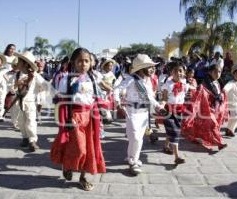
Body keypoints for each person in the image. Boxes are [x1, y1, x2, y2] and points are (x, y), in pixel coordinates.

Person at [50, 48, 106, 191]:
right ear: (73, 62)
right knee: (79, 148)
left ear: (91, 63)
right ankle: (67, 165)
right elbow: (60, 101)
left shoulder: (93, 78)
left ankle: (83, 177)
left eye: (86, 61)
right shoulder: (67, 79)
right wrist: (65, 120)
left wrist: (103, 106)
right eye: (80, 61)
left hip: (90, 117)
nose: (83, 64)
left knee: (89, 148)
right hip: (74, 117)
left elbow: (97, 95)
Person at [113, 54, 164, 175]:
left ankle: (132, 158)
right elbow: (117, 89)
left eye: (153, 67)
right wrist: (118, 103)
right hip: (132, 112)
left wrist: (158, 106)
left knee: (138, 138)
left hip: (144, 113)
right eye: (150, 67)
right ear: (141, 68)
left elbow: (150, 97)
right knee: (134, 137)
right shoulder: (131, 79)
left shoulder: (147, 81)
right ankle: (133, 161)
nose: (153, 69)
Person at [182, 64, 228, 150]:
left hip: (215, 108)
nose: (217, 74)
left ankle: (198, 137)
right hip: (205, 108)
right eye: (215, 72)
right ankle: (219, 143)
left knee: (207, 126)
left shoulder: (218, 83)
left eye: (219, 72)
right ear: (210, 72)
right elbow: (201, 93)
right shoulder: (205, 83)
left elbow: (220, 94)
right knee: (213, 124)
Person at [14, 51, 48, 152]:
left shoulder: (34, 75)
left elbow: (44, 84)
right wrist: (17, 84)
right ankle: (25, 137)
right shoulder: (17, 75)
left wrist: (41, 88)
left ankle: (32, 141)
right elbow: (11, 88)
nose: (17, 63)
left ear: (25, 63)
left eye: (19, 61)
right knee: (21, 122)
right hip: (18, 101)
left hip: (30, 102)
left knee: (31, 121)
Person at [161, 61, 188, 165]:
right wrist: (161, 106)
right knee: (175, 132)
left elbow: (187, 95)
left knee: (171, 131)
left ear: (184, 72)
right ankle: (177, 157)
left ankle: (166, 146)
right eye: (175, 71)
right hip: (169, 111)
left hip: (180, 111)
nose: (178, 73)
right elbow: (164, 98)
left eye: (180, 71)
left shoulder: (185, 84)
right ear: (171, 72)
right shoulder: (167, 85)